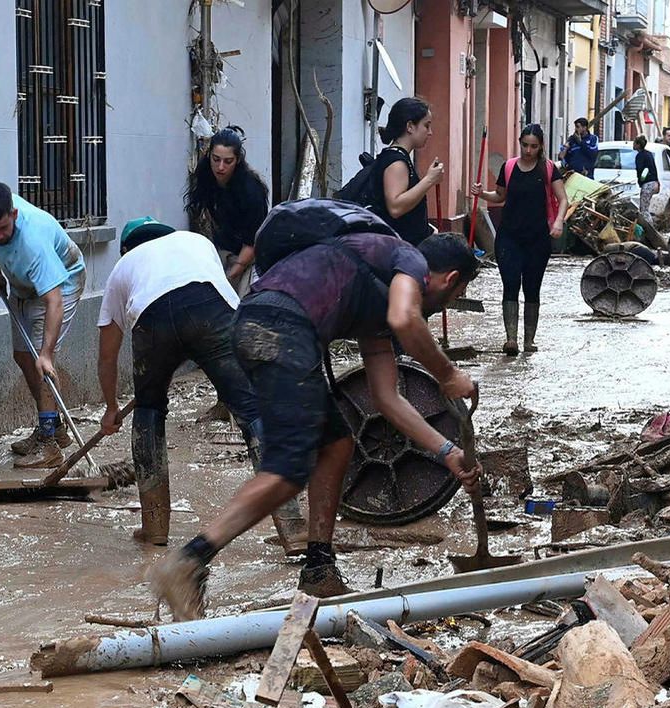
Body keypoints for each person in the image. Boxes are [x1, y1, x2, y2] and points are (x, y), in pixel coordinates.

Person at [147, 232, 483, 617]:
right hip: (282, 328)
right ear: (451, 278)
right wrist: (448, 373)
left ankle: (318, 567)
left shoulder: (378, 287)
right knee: (288, 470)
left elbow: (387, 399)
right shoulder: (405, 262)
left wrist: (447, 452)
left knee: (336, 443)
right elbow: (405, 318)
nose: (451, 302)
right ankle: (188, 561)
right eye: (457, 294)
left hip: (255, 322)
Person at [93, 217, 264, 547]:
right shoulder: (195, 242)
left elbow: (107, 356)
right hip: (213, 311)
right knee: (252, 411)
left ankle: (155, 527)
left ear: (126, 249)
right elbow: (210, 296)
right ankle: (293, 526)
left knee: (149, 411)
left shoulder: (123, 268)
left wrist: (111, 407)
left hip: (152, 317)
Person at [0, 181, 87, 469]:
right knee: (23, 356)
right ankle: (54, 428)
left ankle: (49, 447)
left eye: (3, 229)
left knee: (39, 359)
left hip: (62, 282)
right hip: (24, 287)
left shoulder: (33, 244)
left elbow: (54, 302)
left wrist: (47, 353)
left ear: (15, 215)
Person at [471, 124, 568, 355]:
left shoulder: (548, 169)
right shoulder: (509, 167)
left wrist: (558, 222)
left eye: (533, 146)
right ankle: (511, 339)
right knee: (510, 285)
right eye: (525, 145)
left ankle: (529, 341)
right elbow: (500, 196)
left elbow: (563, 199)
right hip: (509, 237)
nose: (528, 150)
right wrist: (481, 193)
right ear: (520, 143)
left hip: (538, 239)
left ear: (541, 146)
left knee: (532, 288)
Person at [184, 127, 271, 288]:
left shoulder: (251, 190)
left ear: (237, 160)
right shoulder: (205, 177)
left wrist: (230, 275)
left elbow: (252, 243)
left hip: (250, 256)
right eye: (216, 159)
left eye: (228, 161)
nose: (221, 167)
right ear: (209, 155)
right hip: (222, 250)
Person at [373, 97, 444, 245]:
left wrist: (427, 229)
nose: (430, 132)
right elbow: (396, 207)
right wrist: (429, 179)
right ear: (410, 126)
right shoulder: (396, 162)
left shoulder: (398, 158)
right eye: (426, 125)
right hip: (398, 252)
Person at [634, 134, 660, 218]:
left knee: (644, 209)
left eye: (634, 143)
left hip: (647, 183)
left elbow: (640, 170)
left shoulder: (640, 156)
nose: (633, 145)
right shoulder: (649, 154)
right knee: (646, 206)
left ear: (638, 145)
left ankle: (648, 226)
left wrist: (640, 181)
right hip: (654, 182)